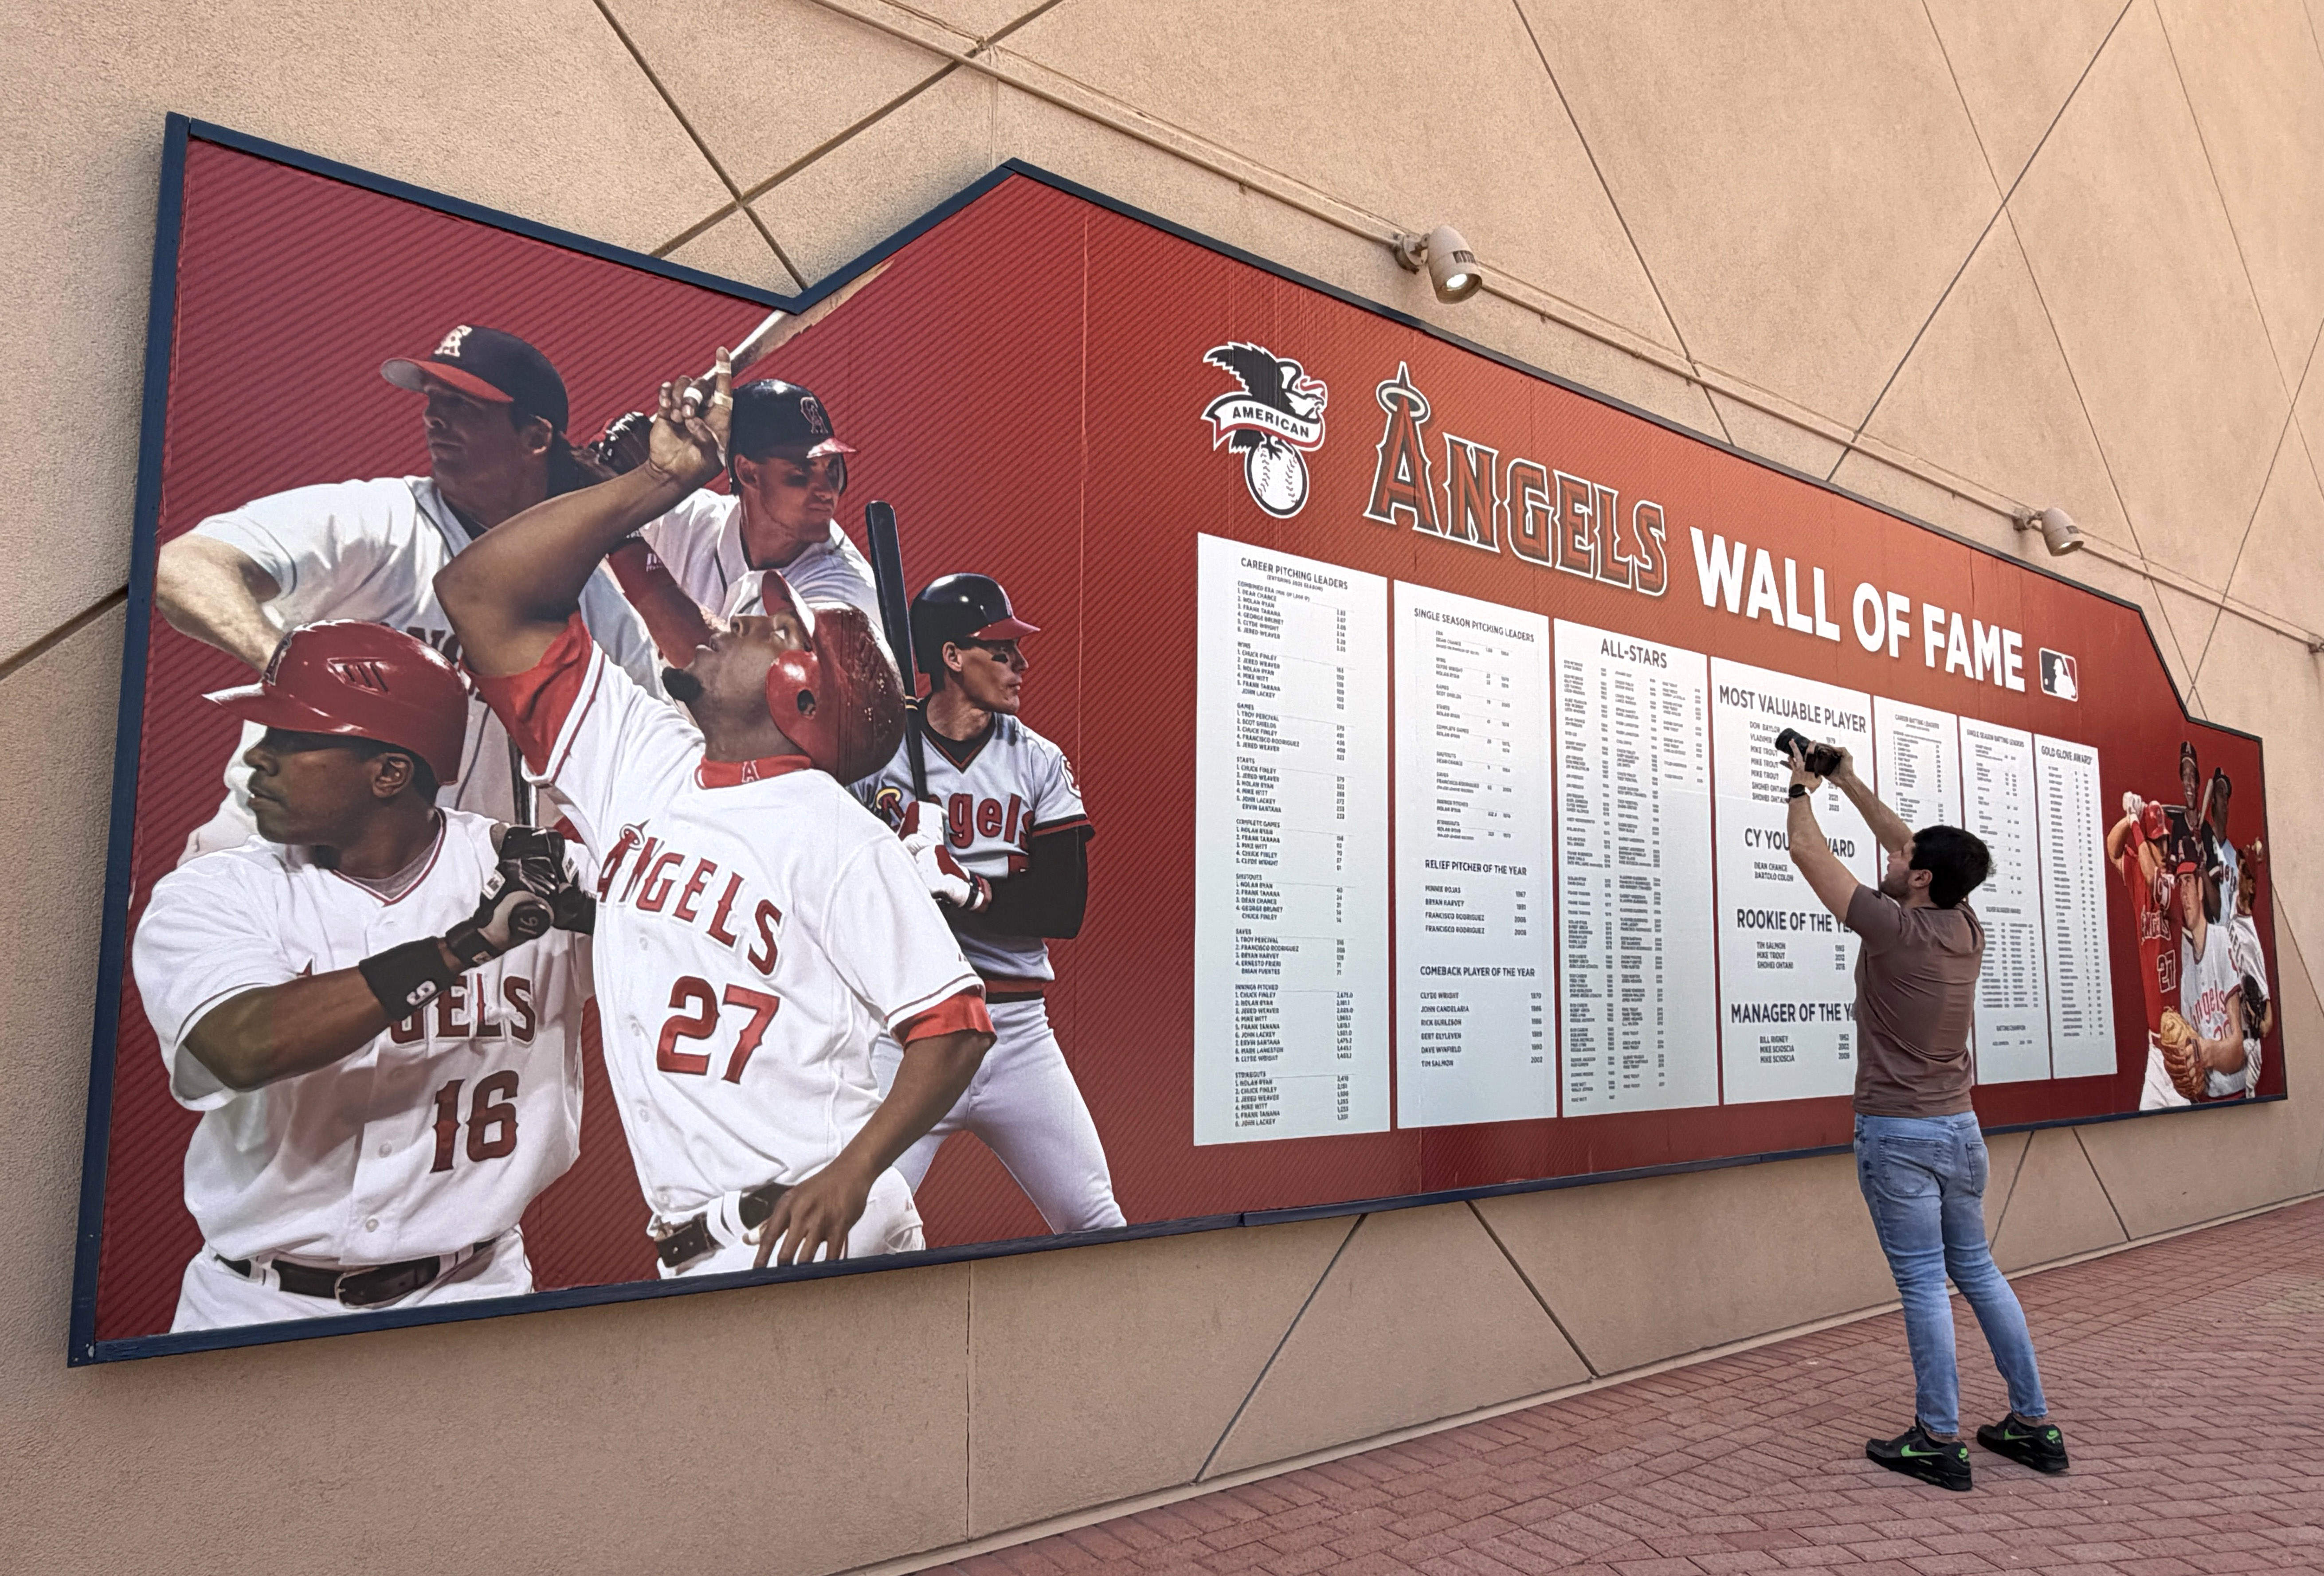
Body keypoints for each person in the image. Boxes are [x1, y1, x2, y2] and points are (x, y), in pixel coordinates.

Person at [434, 349, 995, 1272]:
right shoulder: (643, 755)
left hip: (813, 1226)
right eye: (799, 468)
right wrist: (649, 483)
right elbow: (478, 593)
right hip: (694, 1244)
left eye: (770, 627)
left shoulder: (831, 825)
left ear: (797, 695)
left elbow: (954, 1024)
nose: (740, 619)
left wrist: (854, 1175)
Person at [131, 621, 592, 1330]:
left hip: (473, 1291)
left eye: (291, 738)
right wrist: (462, 949)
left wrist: (603, 904)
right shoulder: (216, 890)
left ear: (389, 773)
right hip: (254, 1304)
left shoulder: (529, 871)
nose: (257, 758)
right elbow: (241, 1043)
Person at [154, 325, 662, 859]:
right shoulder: (380, 522)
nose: (434, 417)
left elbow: (644, 766)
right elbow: (183, 567)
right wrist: (300, 670)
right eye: (433, 400)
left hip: (450, 886)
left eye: (464, 406)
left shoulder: (597, 604)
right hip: (269, 861)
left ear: (535, 437)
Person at [1783, 739, 2065, 1491]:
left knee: (1921, 1283)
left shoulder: (1894, 928)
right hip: (1960, 1131)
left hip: (1898, 1135)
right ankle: (2033, 1424)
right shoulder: (1964, 925)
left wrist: (1801, 787)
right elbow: (1912, 847)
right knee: (1977, 1269)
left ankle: (1938, 1438)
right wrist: (1849, 780)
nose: (1894, 854)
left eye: (1906, 859)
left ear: (1921, 880)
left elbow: (1808, 854)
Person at [854, 573, 1123, 1233]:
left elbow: (1063, 905)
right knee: (857, 1227)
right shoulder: (876, 756)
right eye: (1001, 650)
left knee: (1095, 1220)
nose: (1020, 664)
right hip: (908, 1032)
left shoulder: (1038, 759)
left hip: (1017, 1033)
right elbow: (823, 883)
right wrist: (893, 869)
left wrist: (967, 889)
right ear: (951, 656)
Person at [626, 377, 881, 627]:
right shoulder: (693, 520)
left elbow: (721, 655)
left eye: (832, 468)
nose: (827, 491)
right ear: (748, 473)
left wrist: (627, 545)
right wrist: (631, 478)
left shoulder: (847, 593)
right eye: (802, 471)